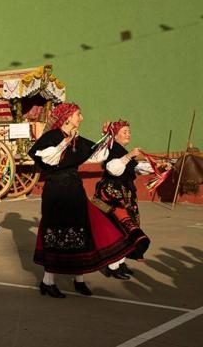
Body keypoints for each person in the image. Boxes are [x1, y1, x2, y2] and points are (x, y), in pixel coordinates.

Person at [28, 103, 138, 298]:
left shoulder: (77, 139)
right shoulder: (51, 137)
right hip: (56, 191)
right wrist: (65, 142)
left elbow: (98, 154)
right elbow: (49, 160)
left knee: (80, 232)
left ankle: (79, 280)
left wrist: (109, 136)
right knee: (55, 233)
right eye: (79, 114)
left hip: (75, 189)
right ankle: (47, 282)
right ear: (68, 117)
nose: (82, 118)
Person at [93, 120, 152, 279]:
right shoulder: (111, 149)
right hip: (112, 194)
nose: (128, 134)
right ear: (115, 135)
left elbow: (137, 168)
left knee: (127, 228)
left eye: (129, 131)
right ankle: (112, 266)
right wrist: (129, 155)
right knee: (120, 228)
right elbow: (113, 169)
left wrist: (158, 166)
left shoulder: (122, 150)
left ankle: (120, 262)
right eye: (125, 132)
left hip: (125, 194)